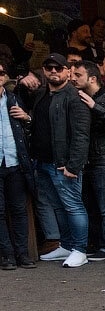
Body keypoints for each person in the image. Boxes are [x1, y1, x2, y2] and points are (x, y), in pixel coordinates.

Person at [17, 53, 91, 267]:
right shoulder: (41, 95)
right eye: (49, 68)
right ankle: (67, 245)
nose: (54, 71)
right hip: (42, 162)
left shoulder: (75, 97)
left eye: (59, 68)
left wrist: (73, 165)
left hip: (63, 164)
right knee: (58, 206)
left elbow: (81, 135)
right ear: (43, 70)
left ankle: (80, 249)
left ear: (68, 71)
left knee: (73, 206)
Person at [70, 60, 105, 261]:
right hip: (88, 160)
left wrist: (95, 106)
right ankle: (97, 244)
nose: (73, 78)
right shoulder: (79, 98)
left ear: (92, 78)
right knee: (91, 206)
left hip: (104, 159)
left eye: (78, 75)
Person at [0, 57, 36, 269]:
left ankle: (22, 254)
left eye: (1, 73)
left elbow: (31, 128)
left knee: (18, 209)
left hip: (15, 161)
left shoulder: (14, 99)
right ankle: (7, 255)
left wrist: (26, 118)